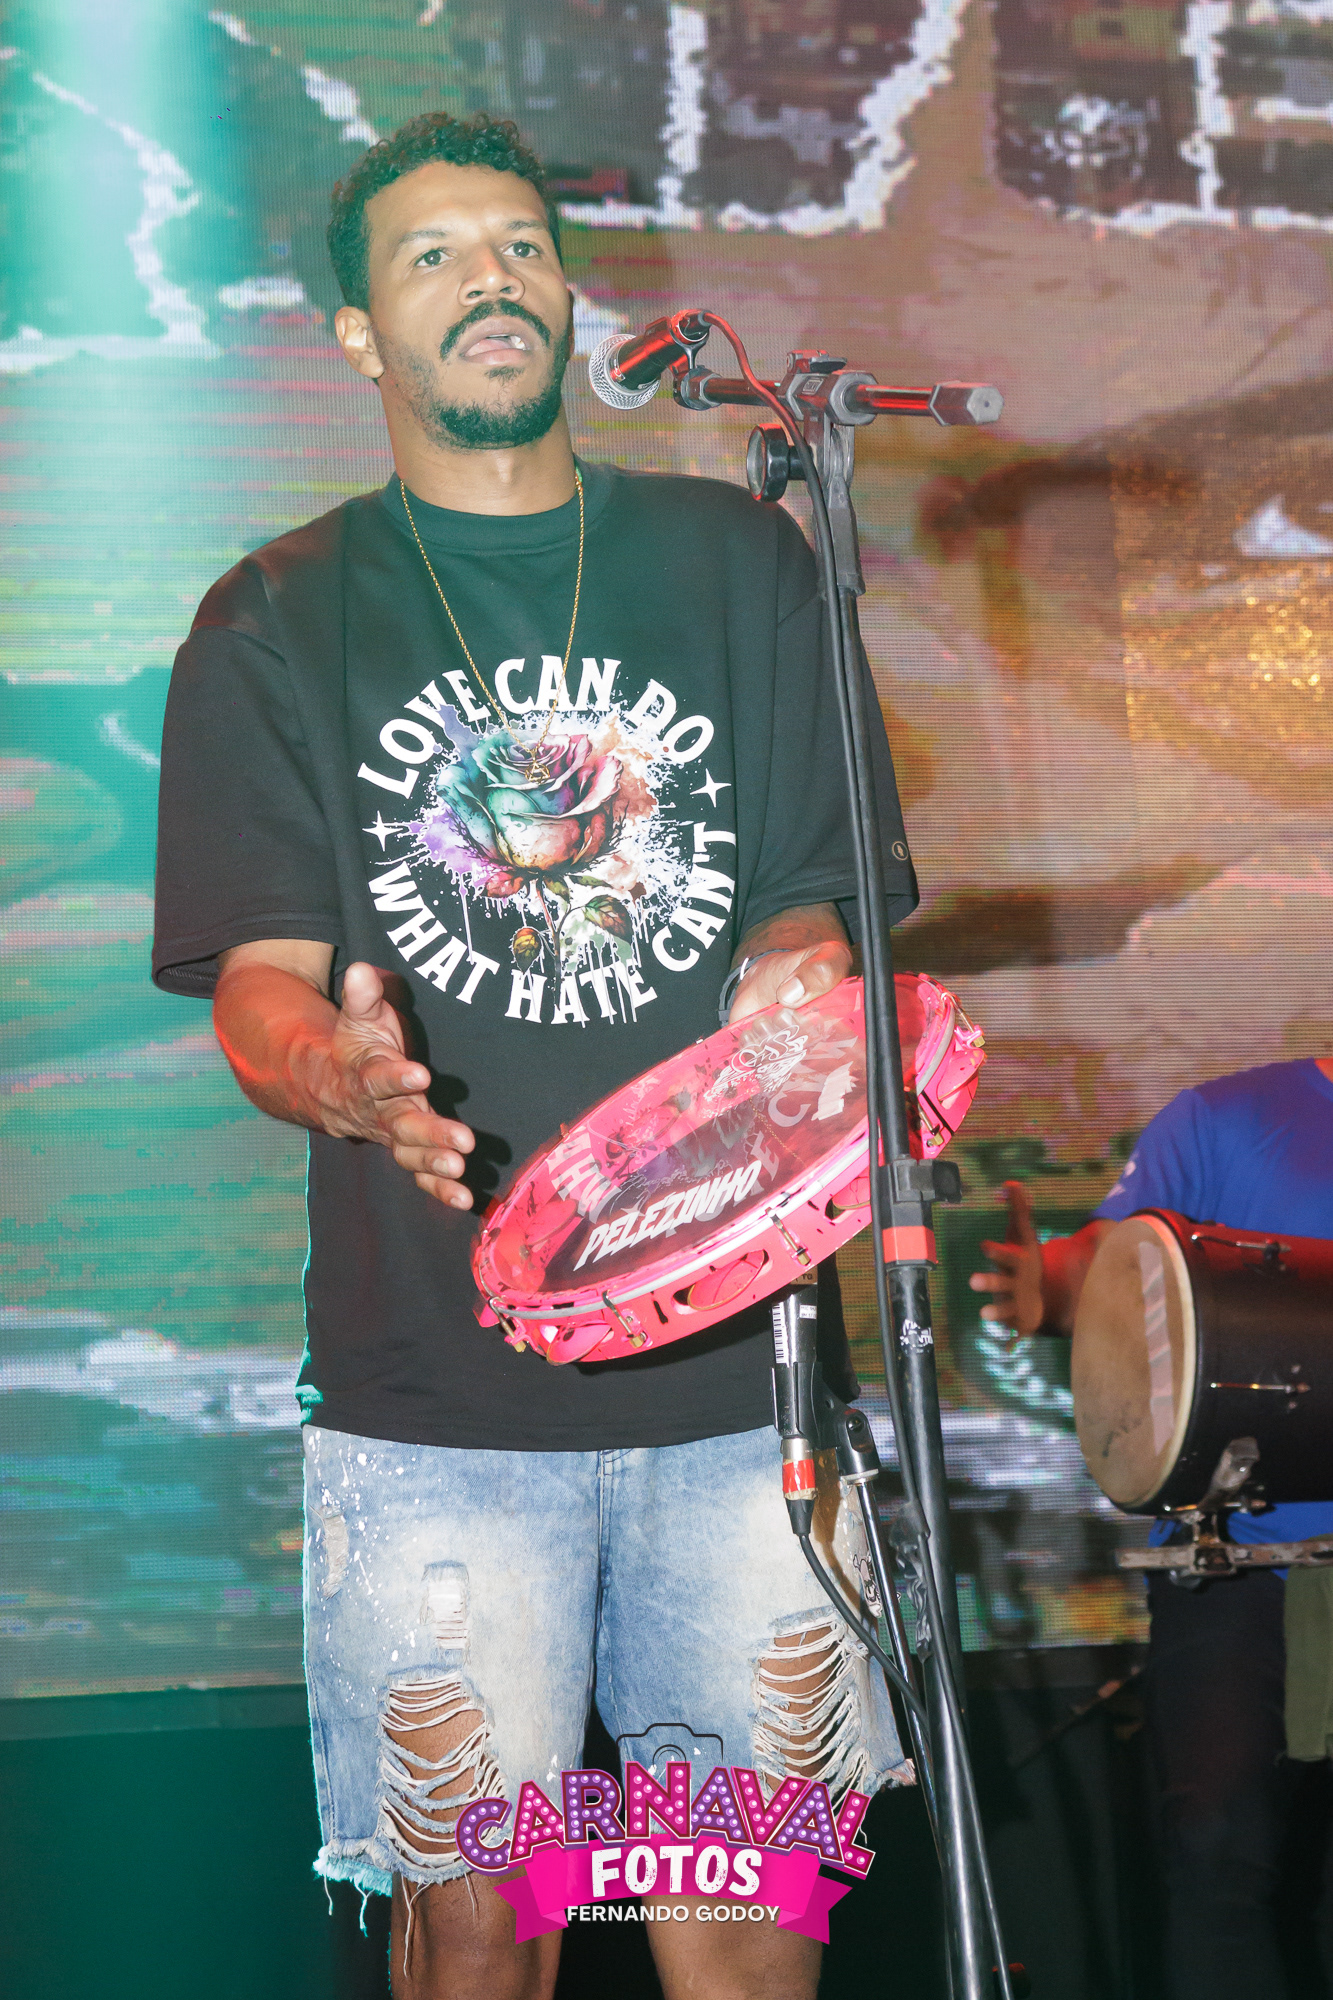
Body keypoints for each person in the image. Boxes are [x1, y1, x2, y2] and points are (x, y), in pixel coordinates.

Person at [152, 113, 918, 2000]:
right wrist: (339, 1078)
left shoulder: (737, 562)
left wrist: (795, 979)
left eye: (517, 244)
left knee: (739, 1923)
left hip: (744, 1388)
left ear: (564, 294)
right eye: (430, 255)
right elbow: (262, 983)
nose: (488, 278)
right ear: (358, 333)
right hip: (438, 1403)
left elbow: (812, 906)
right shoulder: (278, 612)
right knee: (479, 1929)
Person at [970, 1056, 1333, 2000]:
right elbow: (1118, 1256)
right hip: (1243, 1560)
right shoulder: (1226, 1116)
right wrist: (1053, 1283)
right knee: (1217, 1848)